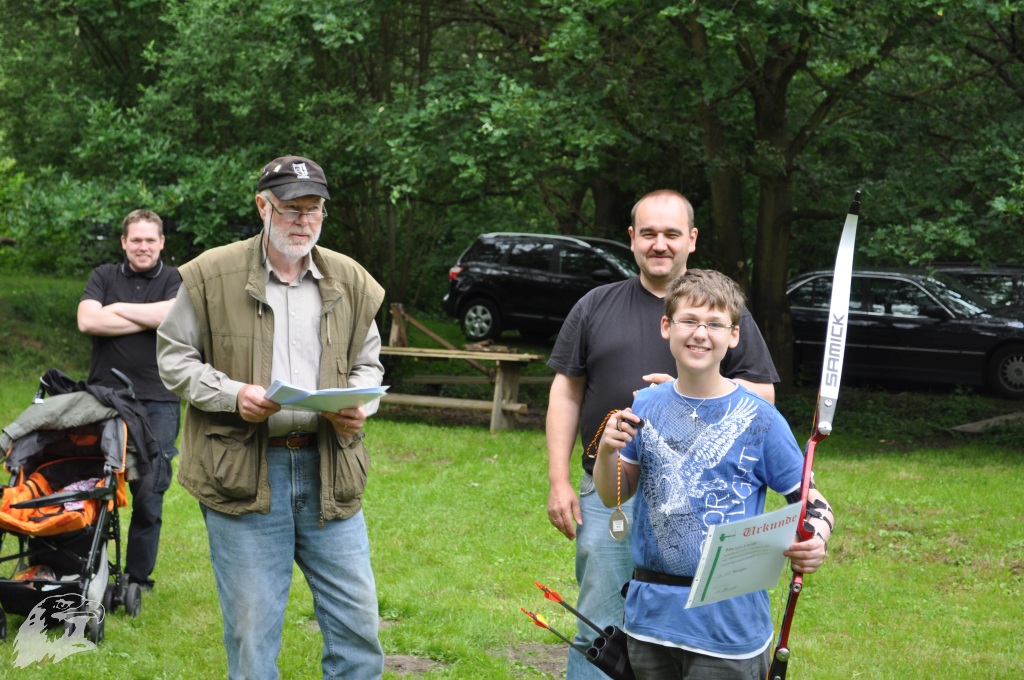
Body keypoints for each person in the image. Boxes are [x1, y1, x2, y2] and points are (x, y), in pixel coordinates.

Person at [156, 155, 386, 680]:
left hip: (331, 472)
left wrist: (358, 403)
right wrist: (232, 394)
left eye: (314, 209)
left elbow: (367, 360)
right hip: (245, 475)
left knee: (359, 626)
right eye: (290, 209)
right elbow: (174, 358)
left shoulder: (351, 280)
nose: (303, 221)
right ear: (263, 207)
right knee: (253, 635)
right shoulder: (210, 275)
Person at [545, 189, 779, 680]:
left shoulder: (722, 309)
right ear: (631, 239)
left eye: (672, 234)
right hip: (613, 489)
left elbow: (762, 399)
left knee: (686, 630)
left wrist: (685, 392)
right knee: (599, 625)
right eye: (648, 233)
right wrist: (558, 480)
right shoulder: (595, 306)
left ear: (691, 240)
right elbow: (565, 393)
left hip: (698, 497)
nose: (660, 244)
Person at [592, 269, 833, 678]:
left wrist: (818, 539)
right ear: (667, 327)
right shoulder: (644, 406)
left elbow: (812, 501)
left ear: (733, 336)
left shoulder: (761, 419)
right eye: (689, 321)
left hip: (727, 627)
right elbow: (612, 494)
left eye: (715, 324)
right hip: (649, 621)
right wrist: (606, 453)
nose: (700, 334)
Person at [77, 209, 181, 591]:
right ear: (123, 242)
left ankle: (137, 578)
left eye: (150, 240)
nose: (143, 246)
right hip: (104, 397)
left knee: (149, 492)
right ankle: (84, 567)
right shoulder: (103, 275)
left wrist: (116, 310)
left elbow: (173, 315)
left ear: (161, 243)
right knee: (90, 482)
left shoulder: (174, 278)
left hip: (159, 400)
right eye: (135, 239)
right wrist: (148, 318)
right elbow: (88, 321)